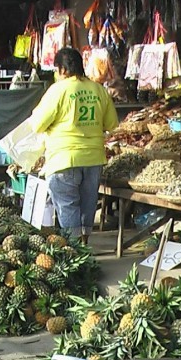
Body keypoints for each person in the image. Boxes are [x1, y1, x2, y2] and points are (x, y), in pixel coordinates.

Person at [29, 47, 119, 245]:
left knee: (68, 207)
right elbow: (112, 124)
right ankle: (85, 246)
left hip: (64, 159)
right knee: (87, 206)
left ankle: (76, 251)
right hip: (94, 158)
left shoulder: (58, 90)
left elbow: (37, 124)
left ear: (61, 69)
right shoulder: (99, 90)